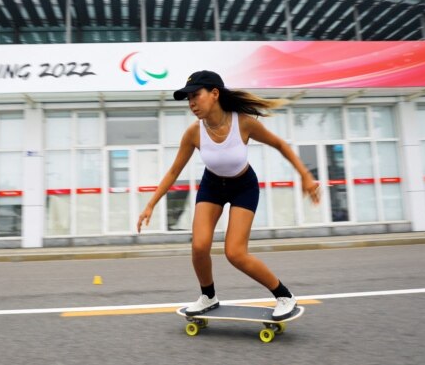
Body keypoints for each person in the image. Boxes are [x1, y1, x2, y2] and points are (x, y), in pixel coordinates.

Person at [137, 70, 320, 320]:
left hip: (244, 186)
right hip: (212, 185)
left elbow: (280, 144)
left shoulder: (242, 122)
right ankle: (208, 296)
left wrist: (305, 176)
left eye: (195, 96)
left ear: (214, 94)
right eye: (187, 98)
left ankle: (284, 296)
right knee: (199, 246)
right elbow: (173, 172)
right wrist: (150, 205)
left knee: (235, 253)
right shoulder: (194, 133)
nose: (191, 103)